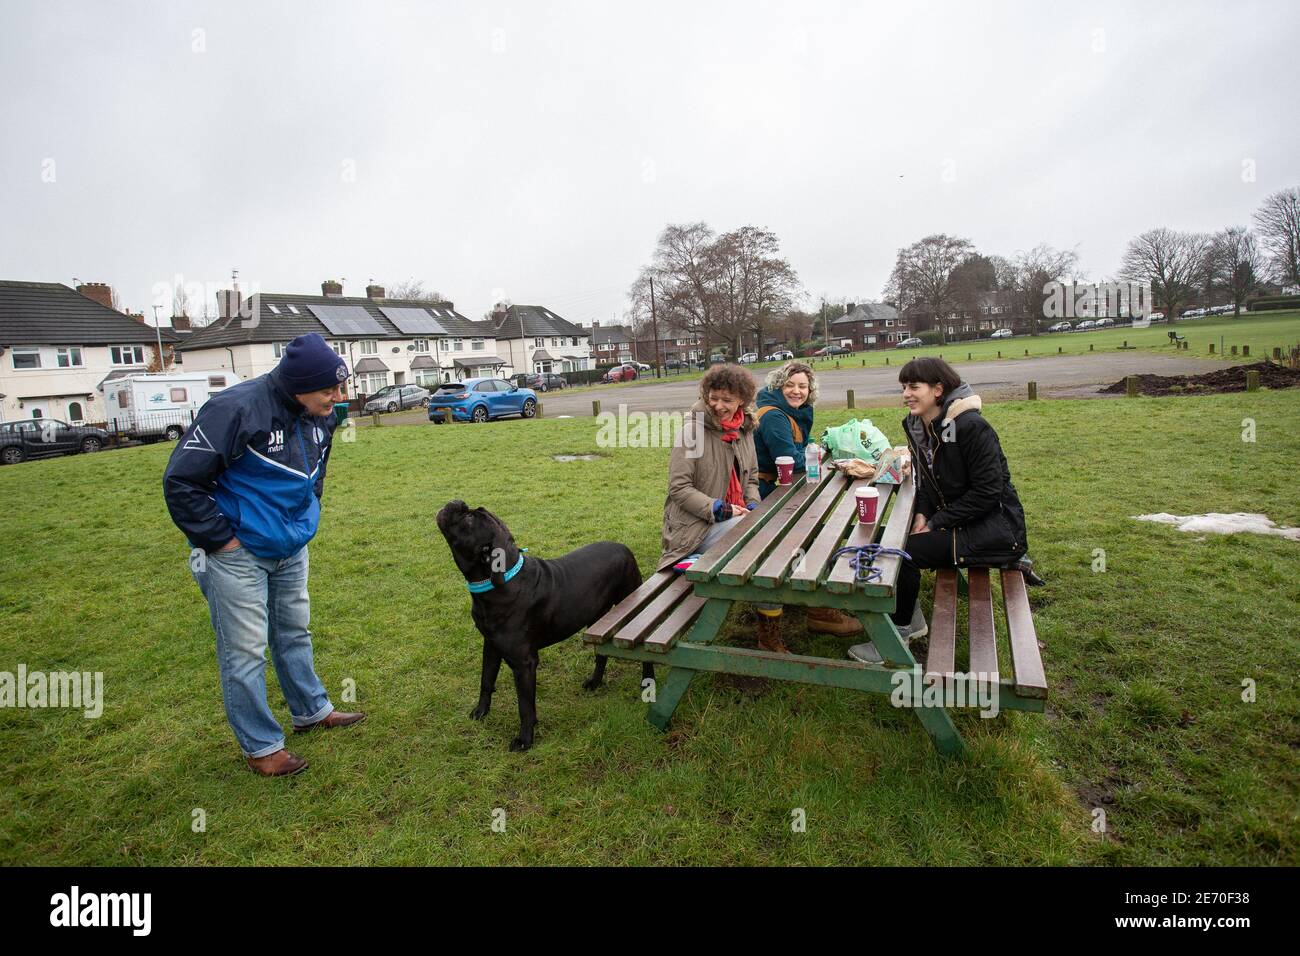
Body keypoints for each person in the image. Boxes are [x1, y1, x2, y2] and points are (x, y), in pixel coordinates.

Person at [163, 332, 365, 776]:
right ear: (297, 386)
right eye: (328, 390)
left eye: (340, 386)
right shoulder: (233, 409)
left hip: (290, 547)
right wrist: (222, 540)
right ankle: (262, 747)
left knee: (294, 631)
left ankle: (312, 710)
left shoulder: (324, 416)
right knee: (245, 650)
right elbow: (181, 481)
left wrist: (305, 518)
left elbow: (315, 472)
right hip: (238, 553)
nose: (339, 397)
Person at [849, 357, 1028, 663]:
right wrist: (922, 512)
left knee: (899, 551)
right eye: (903, 387)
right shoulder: (920, 426)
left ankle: (898, 634)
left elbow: (988, 492)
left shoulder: (971, 427)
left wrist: (937, 521)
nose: (906, 393)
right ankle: (913, 619)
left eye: (914, 386)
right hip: (961, 521)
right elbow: (925, 479)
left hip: (996, 531)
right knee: (880, 537)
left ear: (937, 390)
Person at [752, 362, 863, 652]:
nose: (797, 391)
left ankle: (818, 607)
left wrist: (814, 449)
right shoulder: (774, 416)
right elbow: (791, 457)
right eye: (790, 384)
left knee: (816, 531)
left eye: (803, 386)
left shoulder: (797, 412)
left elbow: (805, 444)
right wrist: (819, 452)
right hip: (767, 493)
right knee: (786, 546)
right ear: (778, 386)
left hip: (786, 488)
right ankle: (776, 630)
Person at [658, 364, 768, 626]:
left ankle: (768, 618)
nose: (719, 405)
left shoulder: (745, 429)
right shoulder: (692, 430)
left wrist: (753, 504)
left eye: (727, 400)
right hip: (694, 528)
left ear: (742, 400)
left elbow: (751, 477)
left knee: (766, 535)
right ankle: (763, 618)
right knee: (756, 540)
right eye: (713, 397)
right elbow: (679, 488)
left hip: (735, 514)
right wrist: (720, 509)